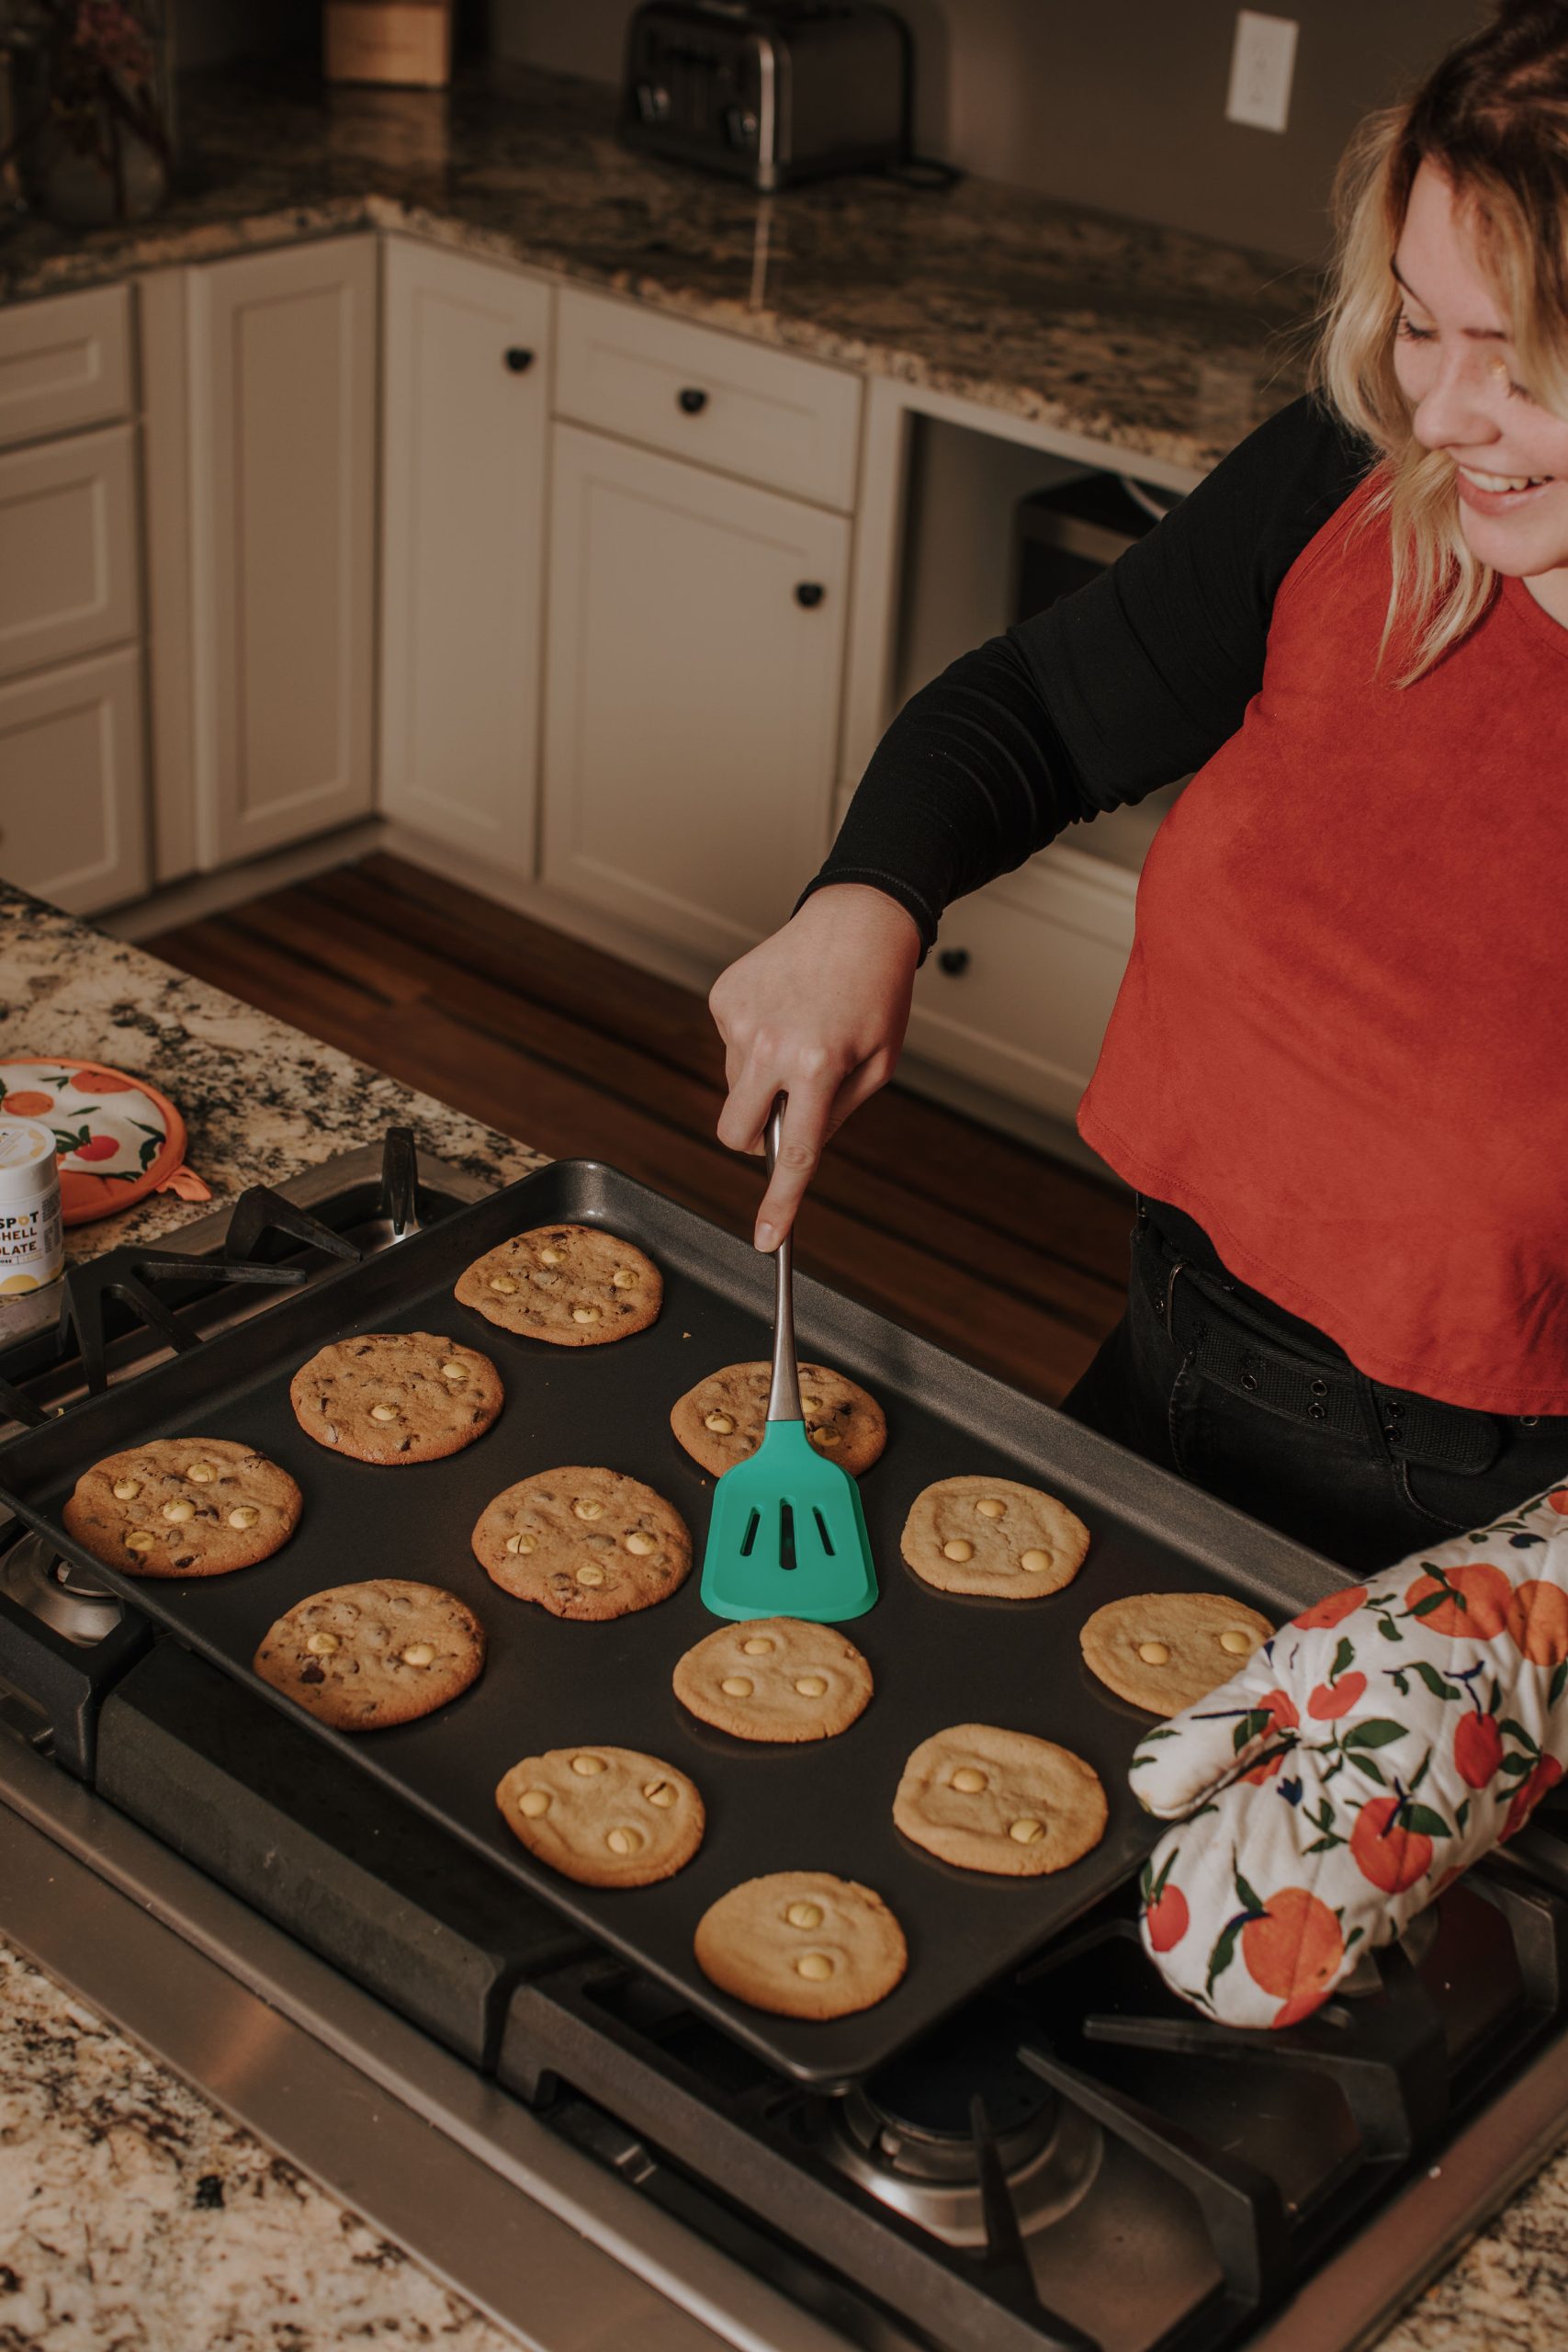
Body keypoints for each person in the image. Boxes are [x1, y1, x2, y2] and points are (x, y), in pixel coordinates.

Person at [707, 0, 1568, 1574]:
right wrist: (867, 902)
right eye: (1423, 323)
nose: (1437, 414)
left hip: (1476, 1548)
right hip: (1171, 1342)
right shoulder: (1365, 477)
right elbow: (1039, 702)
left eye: (1520, 361)